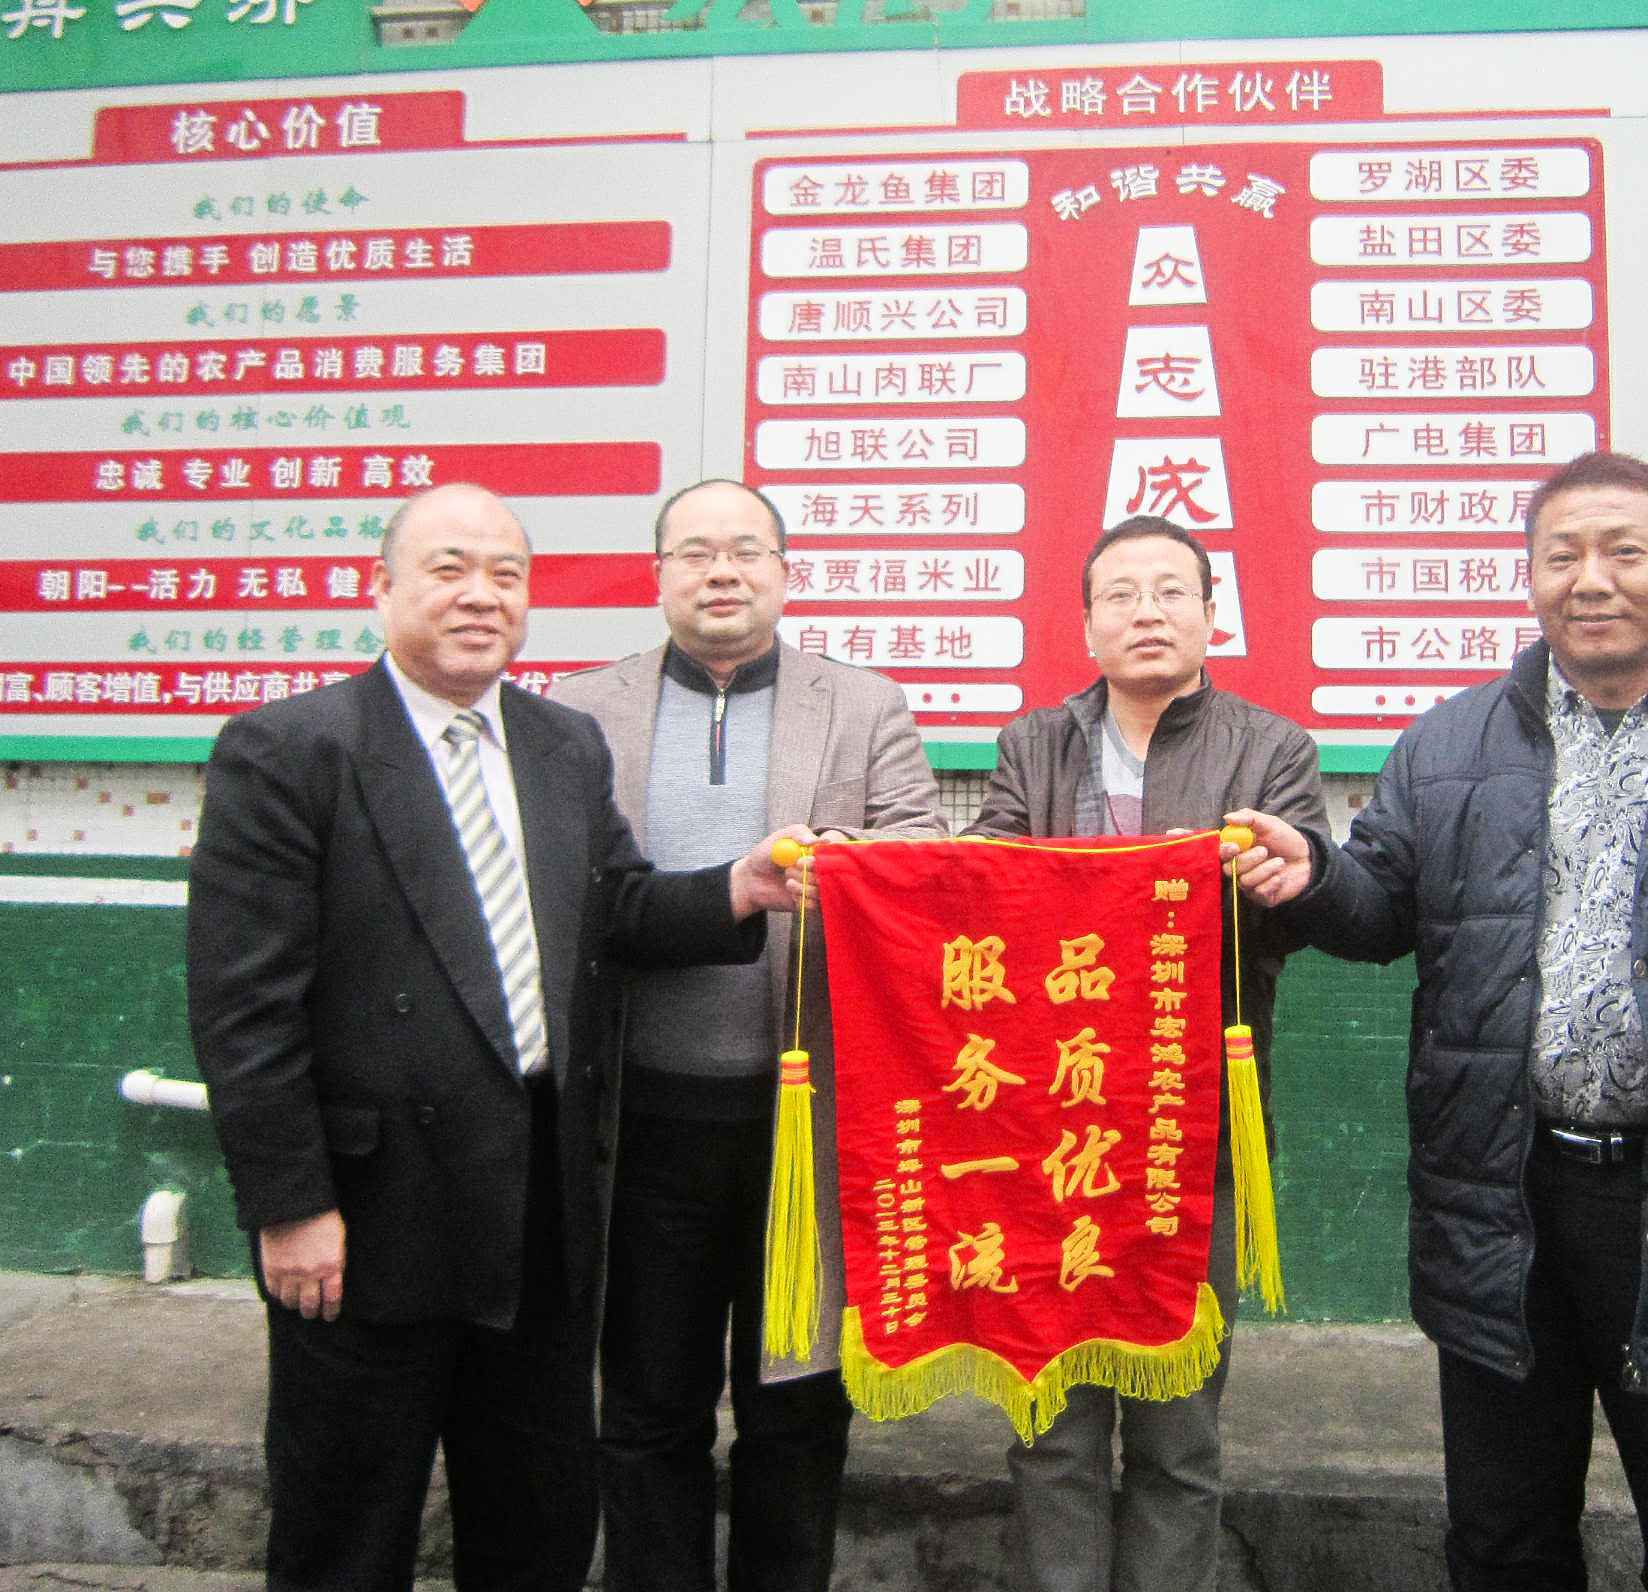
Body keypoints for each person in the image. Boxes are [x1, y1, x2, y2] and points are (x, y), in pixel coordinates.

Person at [1226, 451, 1648, 1592]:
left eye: (1623, 551)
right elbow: (1381, 910)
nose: (1591, 580)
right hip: (1501, 1191)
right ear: (1532, 576)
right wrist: (1316, 879)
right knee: (1502, 1540)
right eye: (1562, 556)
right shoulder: (1452, 745)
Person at [185, 482, 807, 1592]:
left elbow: (616, 908)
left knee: (535, 1523)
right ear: (381, 590)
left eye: (506, 575)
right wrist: (289, 1204)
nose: (481, 596)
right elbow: (245, 1009)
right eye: (450, 570)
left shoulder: (560, 744)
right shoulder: (291, 749)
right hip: (369, 1216)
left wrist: (737, 888)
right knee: (346, 1531)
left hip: (541, 1209)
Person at [550, 479, 941, 1592]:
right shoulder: (579, 713)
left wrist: (855, 872)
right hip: (642, 1119)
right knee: (646, 1406)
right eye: (694, 552)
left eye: (745, 551)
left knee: (797, 1411)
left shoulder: (861, 705)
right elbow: (563, 895)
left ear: (784, 571)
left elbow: (920, 862)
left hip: (806, 1124)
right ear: (657, 575)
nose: (721, 572)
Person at [964, 513, 1324, 1592]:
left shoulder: (1271, 749)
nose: (1147, 613)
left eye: (1172, 591)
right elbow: (984, 884)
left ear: (1212, 617)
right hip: (1050, 1133)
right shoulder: (1036, 744)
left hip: (1187, 1133)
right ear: (1087, 625)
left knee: (1177, 1434)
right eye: (1120, 595)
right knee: (1052, 1427)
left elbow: (1295, 912)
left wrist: (1276, 879)